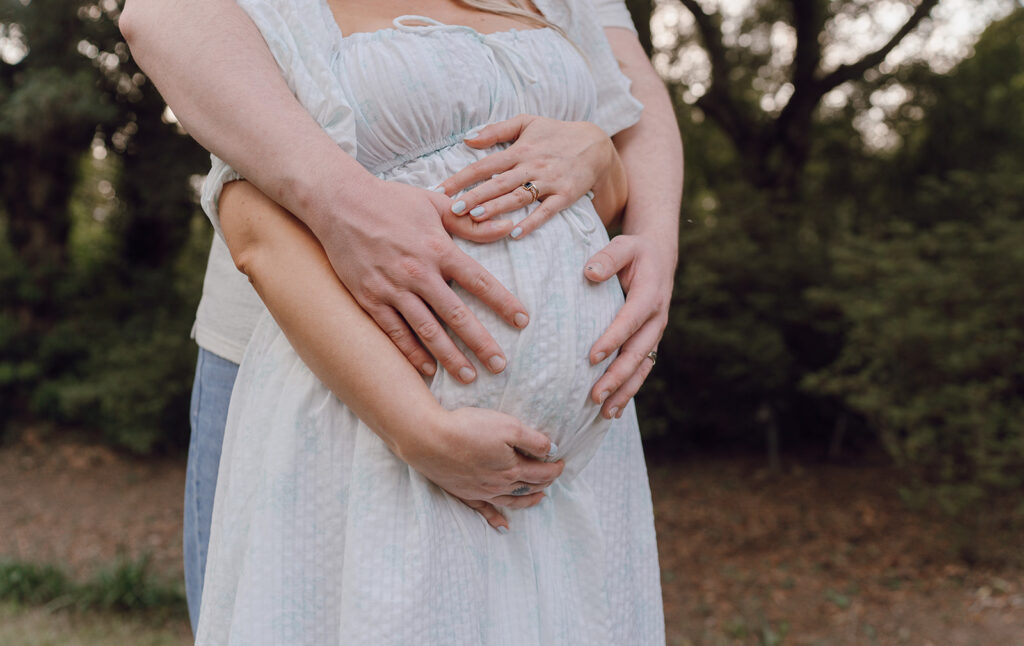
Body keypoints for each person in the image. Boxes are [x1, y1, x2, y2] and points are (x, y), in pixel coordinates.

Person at [119, 0, 682, 640]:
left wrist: (605, 162)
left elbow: (628, 118)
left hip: (575, 473)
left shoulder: (549, 16)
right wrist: (416, 427)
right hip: (341, 401)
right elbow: (248, 205)